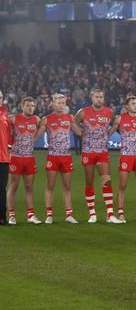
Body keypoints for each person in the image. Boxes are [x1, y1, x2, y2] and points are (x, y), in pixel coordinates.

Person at [75, 88, 122, 223]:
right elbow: (73, 124)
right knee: (89, 181)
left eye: (101, 97)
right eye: (97, 97)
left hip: (102, 152)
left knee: (106, 181)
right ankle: (92, 214)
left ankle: (110, 214)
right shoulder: (83, 112)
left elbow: (116, 124)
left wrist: (110, 132)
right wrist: (80, 133)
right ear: (92, 98)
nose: (99, 99)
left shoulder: (109, 112)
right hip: (88, 152)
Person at [35, 93, 83, 224]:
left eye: (63, 103)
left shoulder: (69, 118)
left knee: (67, 186)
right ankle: (49, 215)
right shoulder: (47, 119)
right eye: (59, 103)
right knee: (50, 185)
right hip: (53, 156)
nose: (61, 105)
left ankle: (69, 215)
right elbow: (38, 134)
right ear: (53, 103)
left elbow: (79, 132)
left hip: (66, 156)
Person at [107, 95, 136, 222]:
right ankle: (120, 214)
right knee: (122, 186)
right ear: (127, 106)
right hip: (126, 156)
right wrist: (100, 135)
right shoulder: (120, 119)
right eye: (133, 103)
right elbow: (110, 133)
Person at [7, 97, 41, 224]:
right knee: (13, 186)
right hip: (16, 157)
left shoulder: (36, 120)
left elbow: (41, 129)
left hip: (29, 158)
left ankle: (31, 215)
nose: (30, 108)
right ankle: (11, 215)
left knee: (29, 187)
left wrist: (36, 138)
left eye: (32, 105)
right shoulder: (14, 118)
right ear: (22, 106)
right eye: (28, 105)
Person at [0, 90, 10, 225]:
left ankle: (2, 217)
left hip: (3, 159)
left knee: (2, 189)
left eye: (1, 97)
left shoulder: (5, 116)